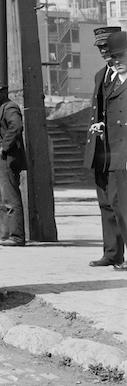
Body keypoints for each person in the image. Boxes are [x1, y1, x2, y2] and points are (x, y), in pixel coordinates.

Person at [83, 25, 125, 267]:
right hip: (103, 150)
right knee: (106, 203)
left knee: (122, 204)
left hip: (121, 150)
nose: (102, 50)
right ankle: (112, 253)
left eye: (106, 46)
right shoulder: (101, 75)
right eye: (99, 46)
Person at [0, 76, 27, 246]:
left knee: (10, 198)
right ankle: (7, 235)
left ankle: (16, 236)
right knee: (2, 199)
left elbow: (16, 126)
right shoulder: (0, 108)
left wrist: (4, 146)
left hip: (6, 158)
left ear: (4, 92)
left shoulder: (10, 107)